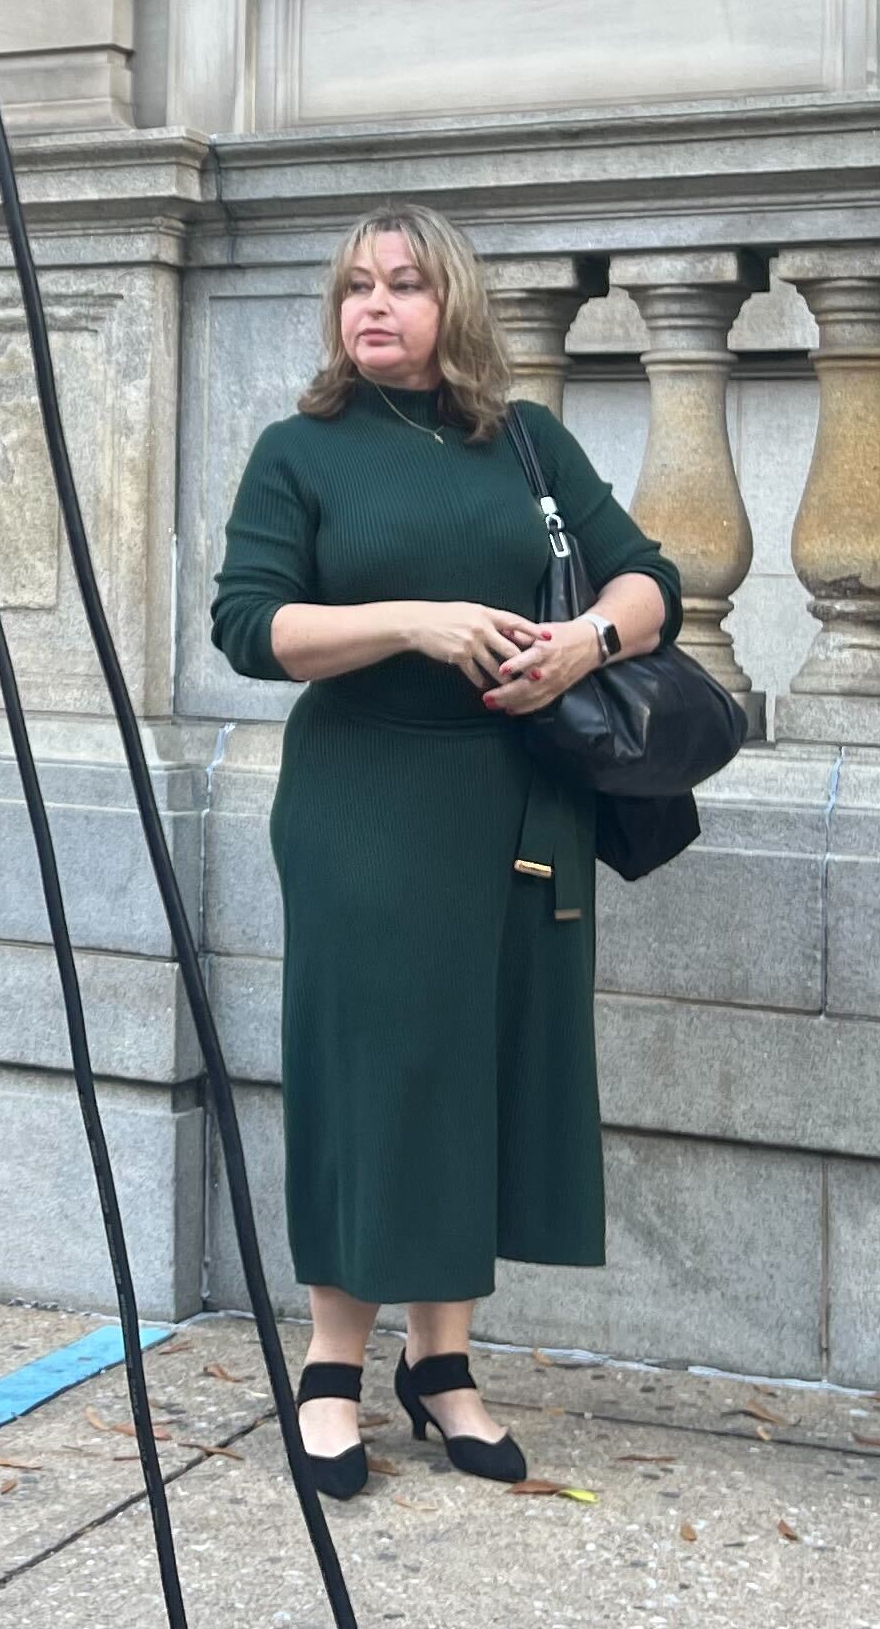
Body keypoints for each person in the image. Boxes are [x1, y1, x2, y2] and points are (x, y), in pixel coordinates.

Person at [210, 208, 675, 1495]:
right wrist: (407, 621)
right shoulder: (301, 452)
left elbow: (651, 581)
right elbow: (250, 627)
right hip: (366, 802)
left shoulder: (526, 441)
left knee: (480, 1069)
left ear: (451, 304)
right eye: (356, 283)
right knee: (374, 1068)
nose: (376, 305)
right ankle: (330, 1367)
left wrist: (587, 642)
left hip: (519, 803)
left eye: (405, 285)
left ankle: (443, 1365)